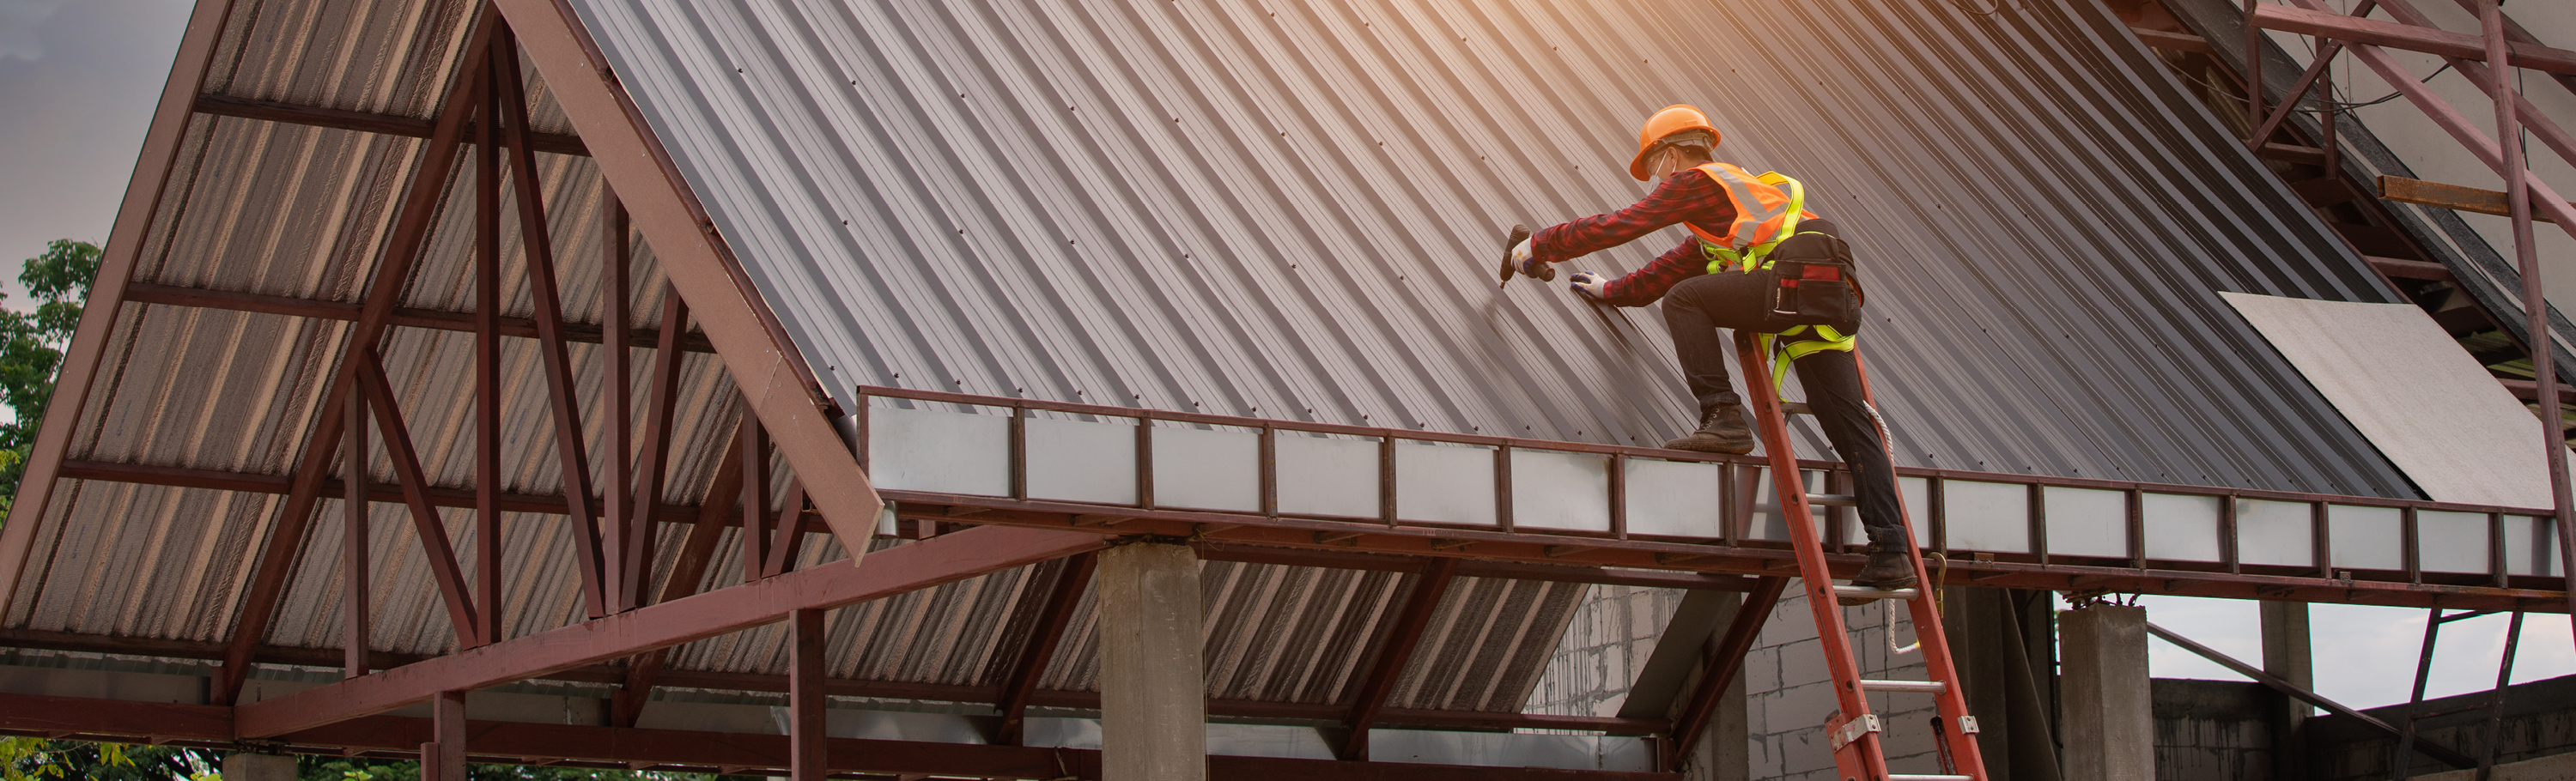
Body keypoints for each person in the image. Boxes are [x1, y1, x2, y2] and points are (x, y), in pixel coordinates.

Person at [1507, 105, 1913, 589]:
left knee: (1685, 302)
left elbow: (1620, 224)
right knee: (1851, 426)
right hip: (1827, 295)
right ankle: (1892, 553)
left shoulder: (1695, 182)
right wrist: (1609, 290)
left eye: (1654, 168)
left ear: (1671, 154)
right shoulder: (1735, 208)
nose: (1657, 180)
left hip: (1793, 283)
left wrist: (1539, 245)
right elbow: (1661, 273)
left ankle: (1723, 416)